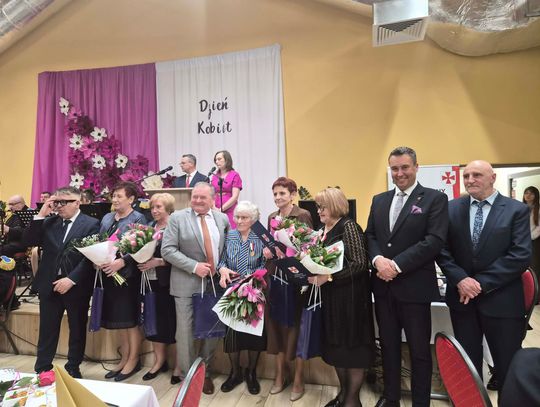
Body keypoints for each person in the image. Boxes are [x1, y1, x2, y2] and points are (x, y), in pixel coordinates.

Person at [437, 160, 531, 395]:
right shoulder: (450, 208)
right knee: (467, 366)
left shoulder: (516, 210)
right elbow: (441, 250)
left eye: (477, 175)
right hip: (462, 301)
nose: (470, 180)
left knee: (507, 366)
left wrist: (479, 284)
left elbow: (520, 256)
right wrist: (461, 279)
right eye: (466, 175)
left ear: (492, 178)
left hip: (502, 301)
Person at [365, 146, 448, 407]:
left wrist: (396, 265)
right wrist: (377, 260)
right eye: (394, 168)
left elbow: (433, 240)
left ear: (416, 167)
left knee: (419, 351)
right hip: (383, 288)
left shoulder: (434, 199)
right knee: (388, 347)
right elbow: (371, 235)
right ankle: (391, 398)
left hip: (414, 289)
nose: (399, 173)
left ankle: (420, 402)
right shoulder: (379, 199)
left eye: (404, 167)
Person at [307, 188, 374, 407]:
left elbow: (359, 263)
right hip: (331, 300)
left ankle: (352, 401)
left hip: (351, 301)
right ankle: (344, 394)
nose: (319, 211)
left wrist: (328, 277)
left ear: (335, 206)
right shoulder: (321, 230)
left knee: (352, 351)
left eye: (323, 207)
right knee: (337, 351)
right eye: (318, 207)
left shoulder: (349, 226)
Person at [23, 187, 100, 377]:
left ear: (77, 202)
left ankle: (73, 366)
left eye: (64, 202)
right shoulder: (49, 222)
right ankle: (42, 368)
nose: (59, 206)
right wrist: (41, 214)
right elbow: (29, 240)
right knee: (47, 329)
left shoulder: (91, 224)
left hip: (75, 285)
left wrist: (71, 279)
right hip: (49, 283)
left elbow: (89, 257)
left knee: (77, 328)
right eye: (57, 202)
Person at [161, 182, 229, 394]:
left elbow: (225, 249)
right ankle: (189, 377)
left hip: (215, 284)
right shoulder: (177, 218)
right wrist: (194, 266)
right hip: (186, 284)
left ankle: (204, 372)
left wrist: (223, 267)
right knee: (185, 333)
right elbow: (167, 250)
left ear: (212, 199)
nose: (198, 200)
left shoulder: (222, 219)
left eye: (203, 197)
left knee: (213, 331)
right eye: (195, 197)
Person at [264, 177, 313, 401]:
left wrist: (291, 250)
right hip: (275, 276)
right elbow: (270, 244)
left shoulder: (302, 215)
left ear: (292, 195)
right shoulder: (271, 217)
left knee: (295, 328)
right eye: (275, 194)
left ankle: (298, 379)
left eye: (282, 193)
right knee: (276, 327)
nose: (278, 197)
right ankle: (280, 375)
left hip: (295, 279)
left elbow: (309, 247)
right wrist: (268, 251)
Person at [217, 201, 270, 395]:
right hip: (232, 290)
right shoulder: (229, 235)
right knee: (232, 335)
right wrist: (222, 269)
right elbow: (221, 260)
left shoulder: (261, 237)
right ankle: (235, 372)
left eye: (244, 217)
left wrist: (252, 278)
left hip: (253, 290)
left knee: (253, 335)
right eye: (237, 217)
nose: (239, 220)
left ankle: (251, 373)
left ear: (253, 220)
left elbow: (266, 263)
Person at [99, 181, 147, 382]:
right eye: (114, 196)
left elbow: (141, 246)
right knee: (119, 320)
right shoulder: (107, 217)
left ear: (131, 199)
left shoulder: (138, 218)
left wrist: (122, 261)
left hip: (128, 276)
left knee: (130, 320)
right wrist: (97, 258)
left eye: (119, 196)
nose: (115, 199)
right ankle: (124, 358)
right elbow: (101, 241)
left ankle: (133, 360)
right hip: (109, 274)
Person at [138, 193, 178, 381]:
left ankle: (178, 365)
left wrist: (160, 262)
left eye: (158, 207)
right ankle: (159, 362)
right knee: (154, 321)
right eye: (152, 207)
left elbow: (182, 255)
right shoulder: (149, 227)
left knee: (172, 322)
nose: (154, 210)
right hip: (149, 281)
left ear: (168, 208)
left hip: (169, 282)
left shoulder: (175, 227)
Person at [210, 150, 242, 228]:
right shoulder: (215, 175)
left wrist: (221, 209)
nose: (217, 162)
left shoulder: (234, 175)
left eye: (219, 159)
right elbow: (211, 193)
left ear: (227, 160)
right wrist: (213, 207)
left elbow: (235, 197)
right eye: (215, 160)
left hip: (229, 209)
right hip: (215, 208)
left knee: (230, 231)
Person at [523, 186, 540, 288]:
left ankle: (536, 292)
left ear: (536, 195)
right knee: (524, 266)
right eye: (526, 193)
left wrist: (530, 237)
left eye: (531, 193)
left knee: (535, 266)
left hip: (534, 241)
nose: (528, 196)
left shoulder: (538, 209)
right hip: (522, 241)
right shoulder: (521, 208)